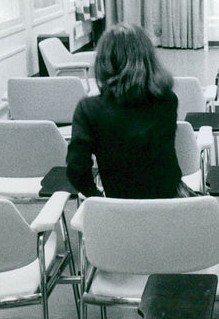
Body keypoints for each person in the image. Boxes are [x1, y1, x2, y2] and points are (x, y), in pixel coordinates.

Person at [67, 23, 187, 199]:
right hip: (169, 207)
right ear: (148, 59)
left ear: (104, 62)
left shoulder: (88, 111)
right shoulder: (167, 100)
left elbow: (76, 169)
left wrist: (97, 198)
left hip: (119, 212)